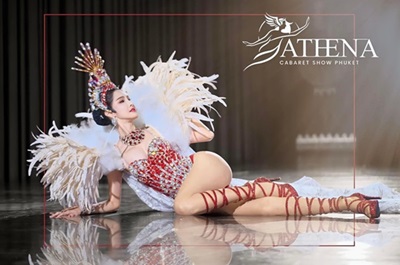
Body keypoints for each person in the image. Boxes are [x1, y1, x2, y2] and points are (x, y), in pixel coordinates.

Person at [29, 43, 397, 220]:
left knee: (183, 206)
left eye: (129, 97)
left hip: (205, 171)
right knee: (267, 213)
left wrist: (177, 117)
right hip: (207, 198)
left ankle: (263, 185)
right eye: (122, 101)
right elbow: (112, 202)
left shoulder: (155, 126)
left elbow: (203, 137)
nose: (130, 103)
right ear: (108, 112)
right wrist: (86, 211)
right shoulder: (115, 157)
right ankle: (354, 203)